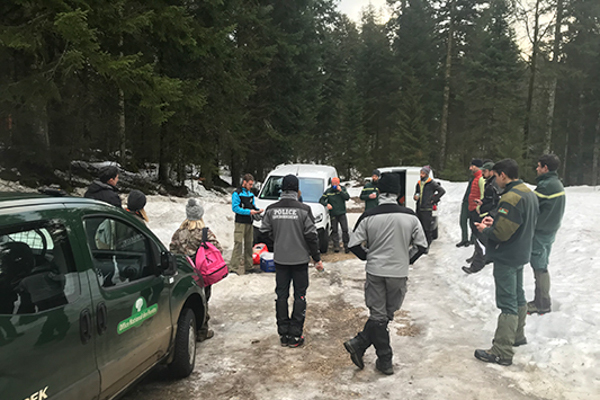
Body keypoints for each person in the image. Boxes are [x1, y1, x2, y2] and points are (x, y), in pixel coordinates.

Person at [344, 173, 428, 375]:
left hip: (375, 271)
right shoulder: (410, 216)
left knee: (379, 316)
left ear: (379, 191)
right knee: (384, 315)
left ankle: (361, 343)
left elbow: (353, 244)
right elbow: (422, 245)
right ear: (398, 193)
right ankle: (384, 359)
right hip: (398, 272)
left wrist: (368, 256)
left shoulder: (368, 216)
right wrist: (407, 259)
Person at [474, 159, 538, 366]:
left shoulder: (511, 197)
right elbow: (516, 223)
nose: (495, 181)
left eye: (495, 177)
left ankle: (502, 350)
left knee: (507, 303)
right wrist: (496, 222)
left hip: (507, 256)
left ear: (503, 175)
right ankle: (517, 335)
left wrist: (486, 230)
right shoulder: (528, 193)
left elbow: (501, 234)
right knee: (518, 296)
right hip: (521, 253)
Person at [260, 175, 324, 348]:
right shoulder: (304, 209)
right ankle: (295, 334)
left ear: (282, 189)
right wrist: (316, 258)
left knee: (281, 295)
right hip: (300, 260)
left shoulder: (272, 209)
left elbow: (263, 231)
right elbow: (311, 236)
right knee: (300, 295)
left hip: (281, 259)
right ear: (297, 190)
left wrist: (277, 242)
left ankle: (283, 334)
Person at [170, 198, 223, 342]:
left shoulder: (179, 232)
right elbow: (218, 250)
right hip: (202, 273)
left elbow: (172, 250)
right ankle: (202, 331)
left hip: (185, 273)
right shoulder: (204, 233)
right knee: (203, 300)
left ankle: (189, 329)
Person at [527, 154, 566, 315]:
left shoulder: (546, 186)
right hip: (549, 230)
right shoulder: (556, 183)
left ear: (545, 168)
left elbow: (531, 205)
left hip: (541, 231)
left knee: (539, 266)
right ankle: (540, 301)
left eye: (539, 166)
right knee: (541, 265)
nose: (537, 169)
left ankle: (542, 303)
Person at [462, 161, 500, 274]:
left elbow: (499, 202)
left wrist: (491, 214)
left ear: (492, 172)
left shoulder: (495, 184)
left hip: (488, 216)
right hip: (485, 213)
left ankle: (476, 266)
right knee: (484, 239)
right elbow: (489, 199)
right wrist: (482, 202)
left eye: (485, 171)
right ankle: (485, 258)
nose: (482, 173)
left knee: (481, 240)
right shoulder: (489, 183)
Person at [230, 173, 263, 275]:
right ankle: (233, 268)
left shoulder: (251, 194)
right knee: (238, 244)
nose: (251, 186)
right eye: (250, 184)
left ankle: (249, 266)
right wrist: (248, 212)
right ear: (244, 182)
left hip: (249, 222)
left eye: (252, 184)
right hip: (240, 222)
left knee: (249, 244)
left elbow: (252, 205)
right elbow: (235, 208)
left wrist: (257, 211)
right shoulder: (237, 193)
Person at [413, 165, 445, 245]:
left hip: (427, 209)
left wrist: (433, 199)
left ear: (427, 174)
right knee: (419, 228)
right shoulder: (419, 183)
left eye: (423, 173)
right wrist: (415, 196)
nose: (421, 175)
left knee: (427, 229)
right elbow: (417, 192)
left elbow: (442, 191)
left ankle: (427, 244)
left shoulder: (431, 183)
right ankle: (420, 243)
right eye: (421, 173)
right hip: (419, 208)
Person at [319, 177, 350, 253]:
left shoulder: (342, 189)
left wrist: (340, 191)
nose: (334, 185)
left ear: (338, 183)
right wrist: (327, 204)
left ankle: (346, 245)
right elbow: (321, 200)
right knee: (334, 230)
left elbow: (347, 197)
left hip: (342, 213)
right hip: (333, 213)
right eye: (333, 183)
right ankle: (336, 246)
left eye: (336, 183)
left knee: (345, 229)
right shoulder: (328, 191)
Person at [456, 160, 480, 247]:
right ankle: (464, 239)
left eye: (472, 166)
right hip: (466, 201)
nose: (470, 168)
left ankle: (473, 239)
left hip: (474, 203)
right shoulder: (472, 178)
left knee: (473, 222)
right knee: (463, 220)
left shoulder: (480, 178)